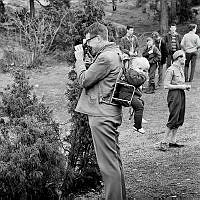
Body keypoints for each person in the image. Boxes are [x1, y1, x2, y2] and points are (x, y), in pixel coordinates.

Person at [74, 22, 127, 200]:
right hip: (110, 112)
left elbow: (84, 80)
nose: (87, 44)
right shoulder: (114, 53)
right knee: (114, 161)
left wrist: (79, 60)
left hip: (102, 115)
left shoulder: (105, 58)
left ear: (97, 38)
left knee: (107, 165)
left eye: (88, 41)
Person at [159, 50, 191, 151]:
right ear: (179, 58)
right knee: (173, 117)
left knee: (180, 117)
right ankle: (163, 142)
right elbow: (166, 85)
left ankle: (173, 140)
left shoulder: (180, 69)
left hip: (181, 94)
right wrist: (182, 86)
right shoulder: (170, 70)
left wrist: (183, 87)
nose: (185, 59)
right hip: (174, 95)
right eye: (184, 57)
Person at [117, 57, 150, 134]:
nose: (141, 71)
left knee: (141, 103)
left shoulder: (133, 72)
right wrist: (144, 77)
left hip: (130, 94)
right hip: (126, 94)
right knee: (139, 106)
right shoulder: (132, 73)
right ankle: (137, 126)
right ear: (133, 67)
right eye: (140, 68)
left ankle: (139, 117)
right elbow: (135, 82)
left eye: (144, 70)